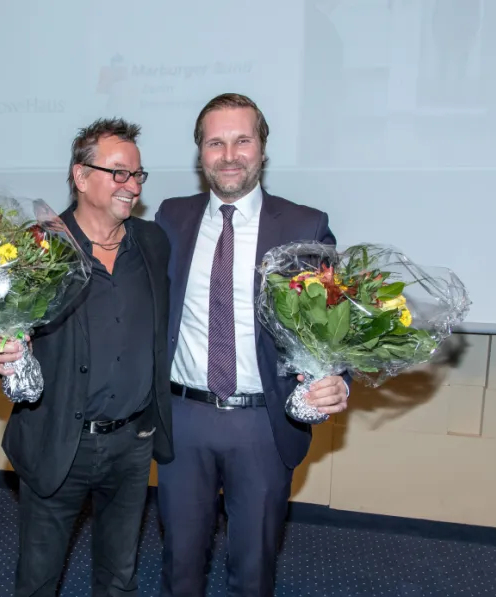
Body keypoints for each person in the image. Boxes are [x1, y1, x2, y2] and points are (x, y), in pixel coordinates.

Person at [153, 93, 352, 597]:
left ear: (262, 148)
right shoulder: (171, 217)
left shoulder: (304, 225)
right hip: (183, 418)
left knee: (254, 567)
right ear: (200, 152)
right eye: (215, 143)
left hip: (262, 422)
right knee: (179, 563)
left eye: (242, 140)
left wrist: (337, 380)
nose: (229, 155)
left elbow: (336, 320)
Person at [0, 117, 174, 597]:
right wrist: (1, 353)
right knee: (39, 579)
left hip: (132, 442)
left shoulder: (152, 242)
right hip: (59, 440)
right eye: (119, 173)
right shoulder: (36, 247)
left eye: (138, 175)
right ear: (81, 177)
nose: (133, 186)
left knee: (119, 577)